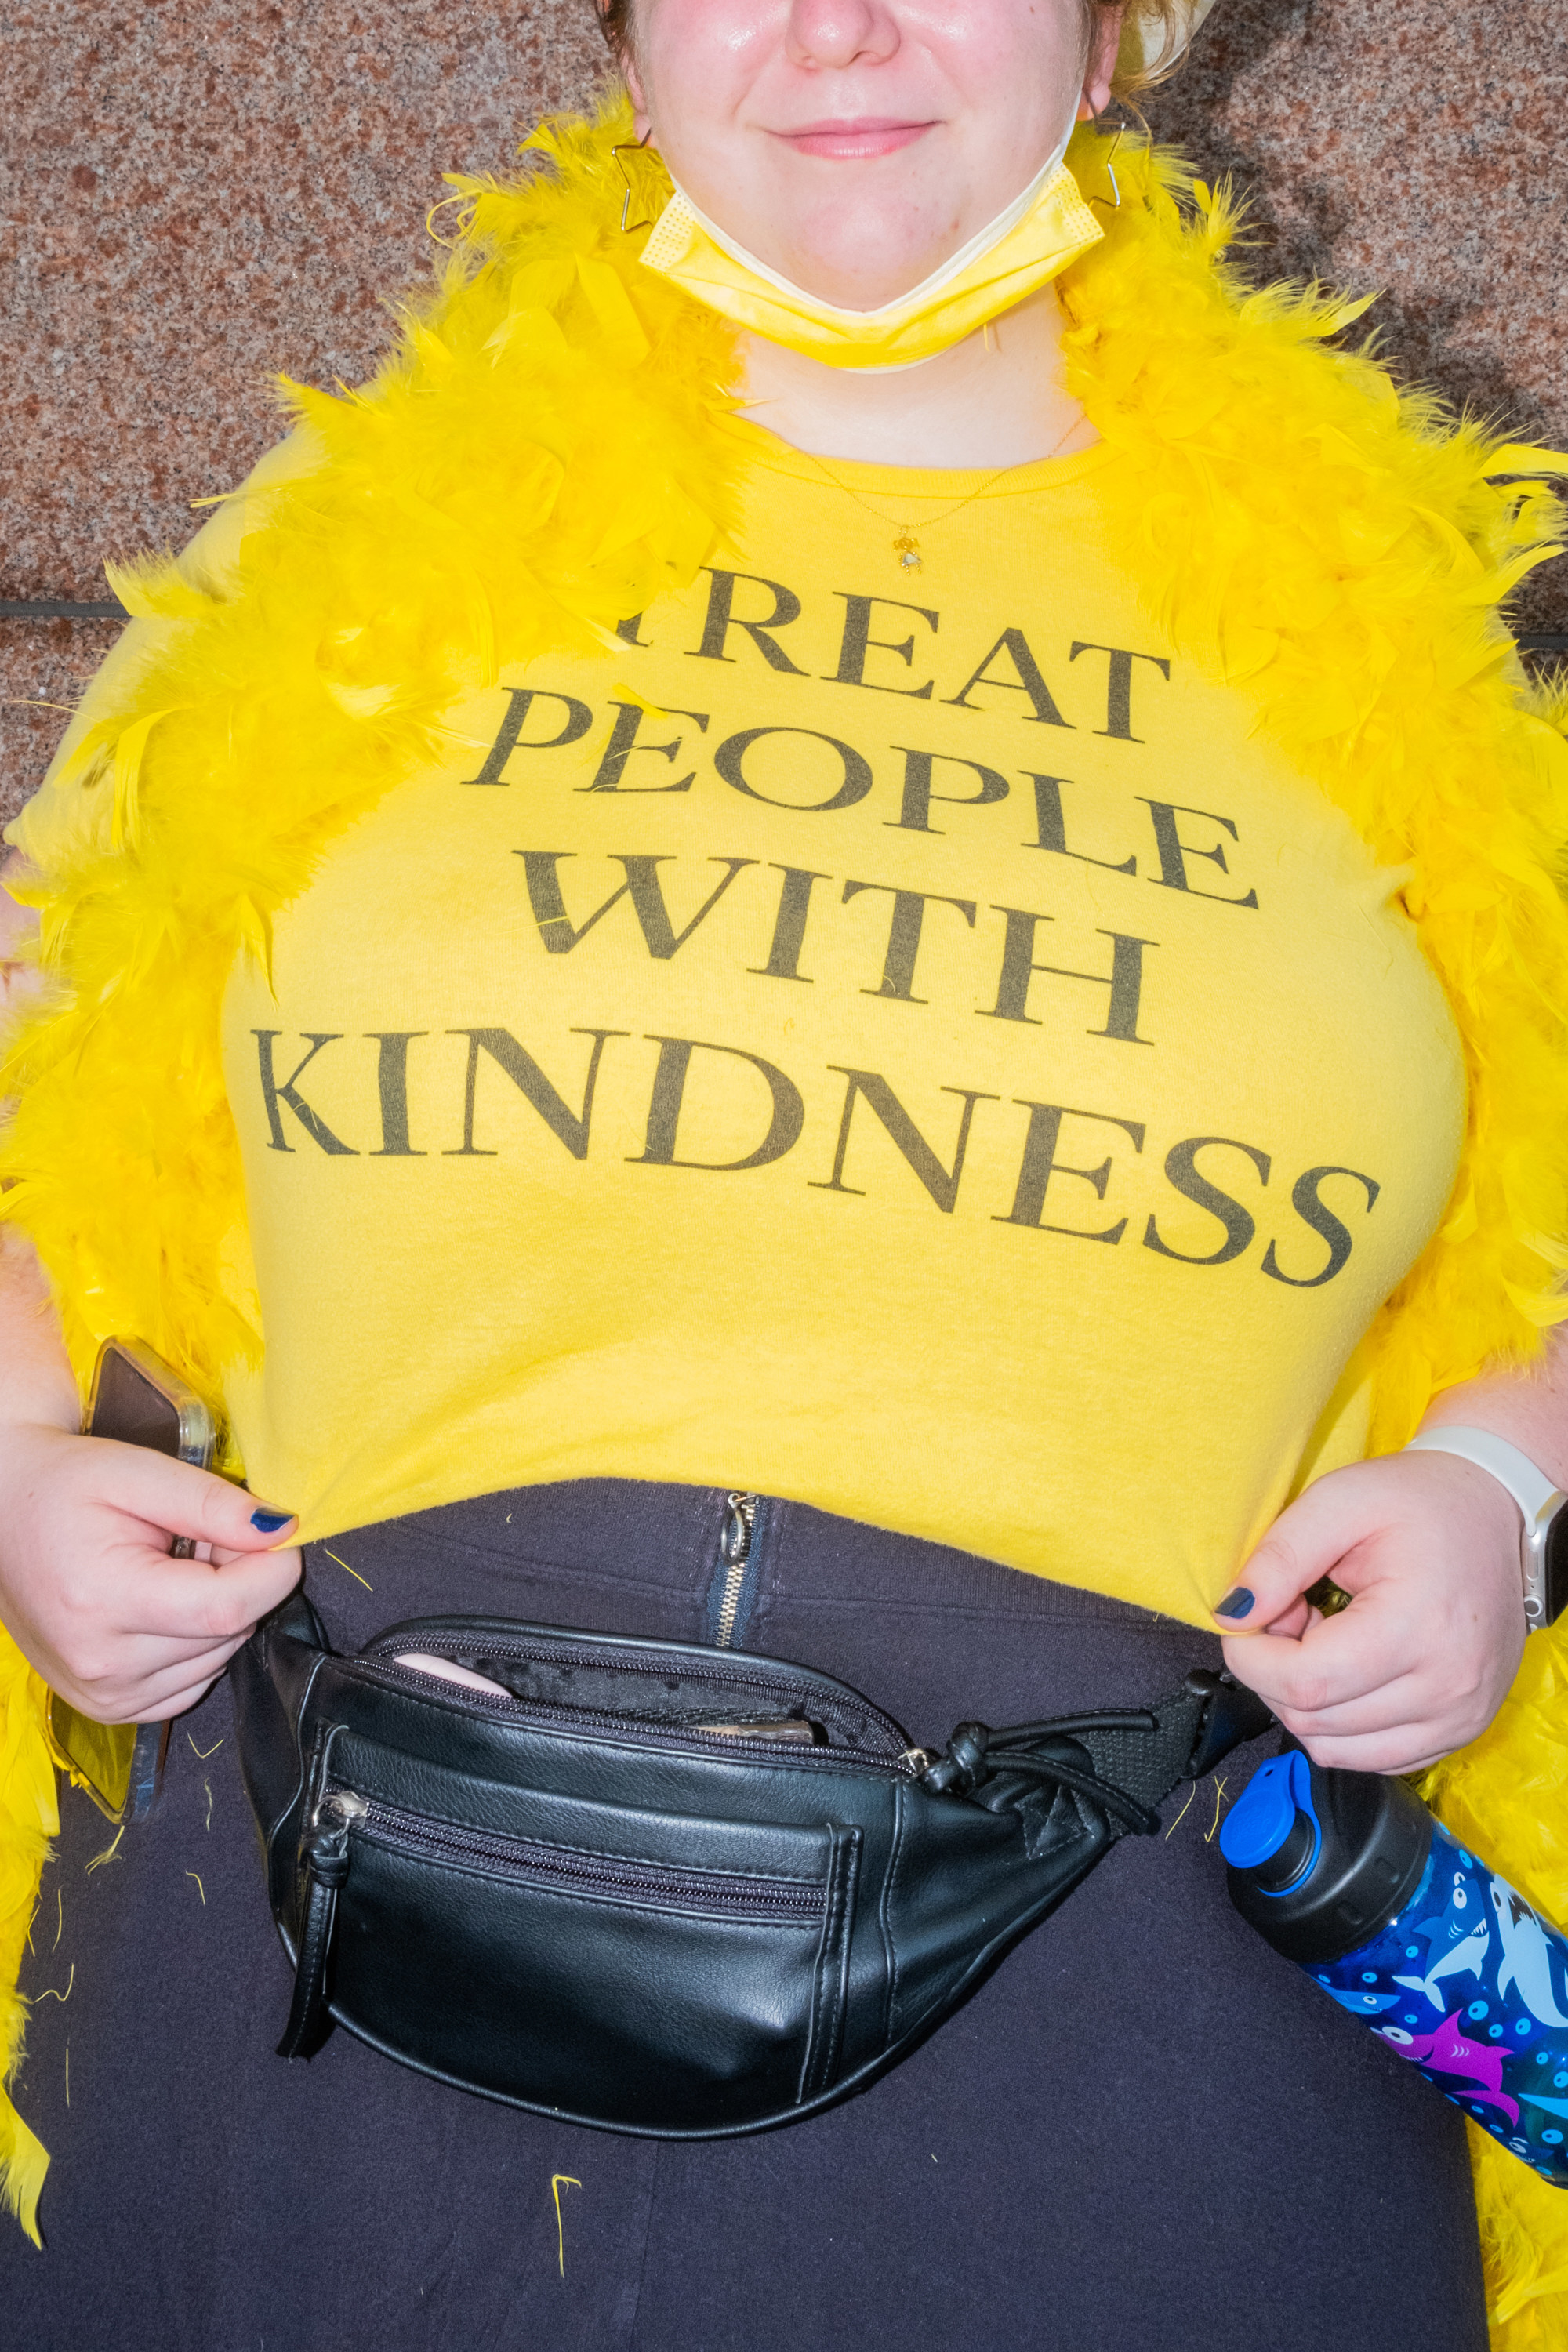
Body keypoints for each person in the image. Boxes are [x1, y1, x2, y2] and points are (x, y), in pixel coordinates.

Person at [2, 1, 1566, 2343]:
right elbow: (48, 1083)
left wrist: (1507, 1488)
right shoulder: (331, 551)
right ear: (630, 49)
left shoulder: (1392, 630)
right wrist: (14, 1449)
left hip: (1132, 2021)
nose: (840, 23)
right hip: (338, 1946)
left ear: (1110, 34)